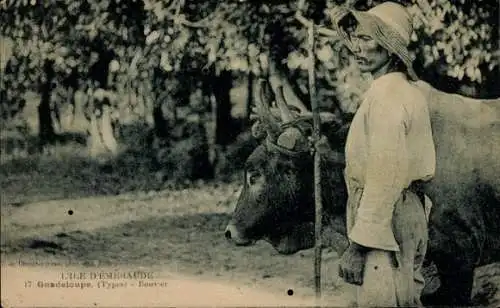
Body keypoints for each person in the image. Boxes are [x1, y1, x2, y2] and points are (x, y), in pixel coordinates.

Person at [324, 2, 437, 306]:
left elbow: (385, 173)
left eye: (368, 39)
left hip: (384, 217)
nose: (358, 49)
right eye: (356, 39)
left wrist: (359, 246)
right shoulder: (404, 91)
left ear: (390, 48)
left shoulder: (388, 96)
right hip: (405, 208)